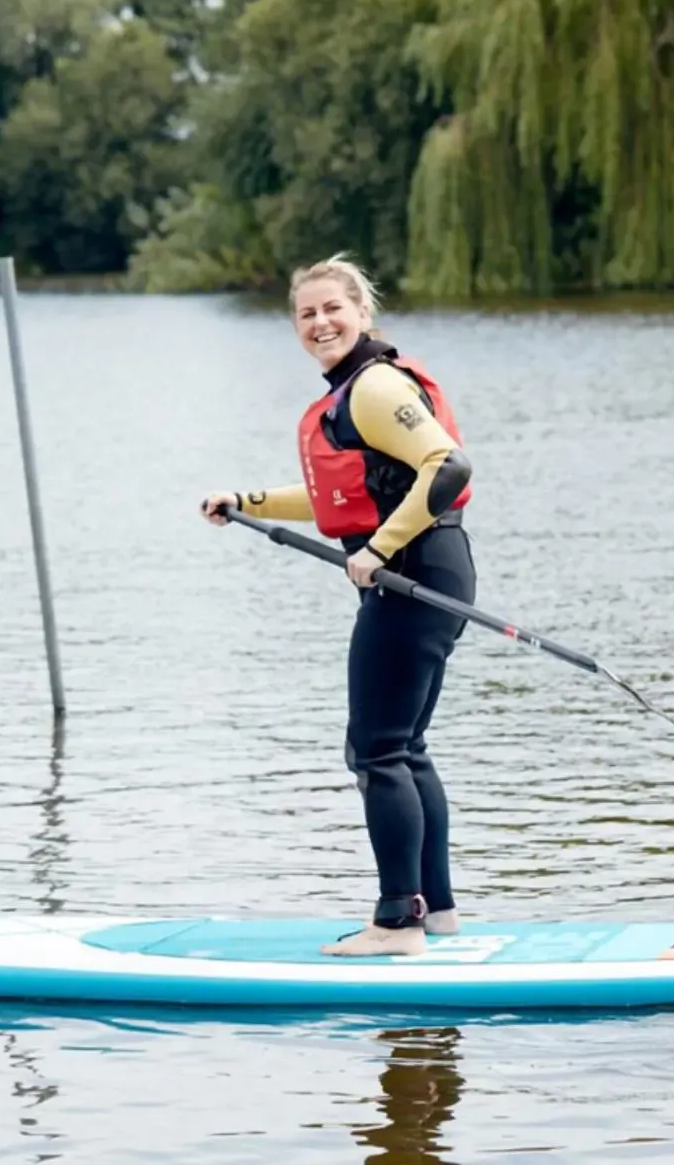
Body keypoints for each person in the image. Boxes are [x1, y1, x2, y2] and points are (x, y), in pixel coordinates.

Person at [200, 253, 476, 959]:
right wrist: (248, 501)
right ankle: (435, 911)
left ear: (363, 314)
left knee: (376, 749)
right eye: (307, 313)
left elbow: (448, 466)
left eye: (333, 309)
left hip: (413, 570)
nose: (320, 322)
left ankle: (395, 922)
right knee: (403, 746)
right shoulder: (357, 390)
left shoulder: (376, 386)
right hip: (433, 565)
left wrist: (379, 549)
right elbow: (337, 500)